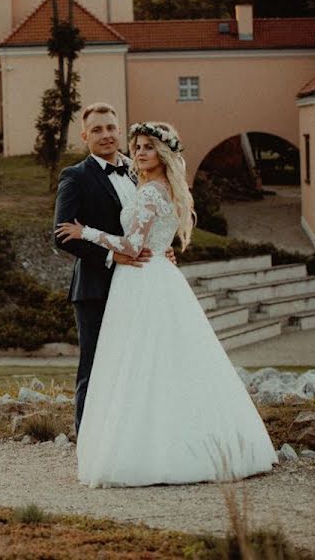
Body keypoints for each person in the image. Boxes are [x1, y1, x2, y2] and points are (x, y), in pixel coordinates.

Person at [55, 122, 277, 488]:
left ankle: (147, 451)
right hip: (159, 276)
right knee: (168, 364)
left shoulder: (148, 192)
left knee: (141, 364)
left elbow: (131, 246)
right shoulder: (165, 189)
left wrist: (86, 232)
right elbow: (153, 240)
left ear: (164, 154)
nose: (139, 153)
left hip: (141, 280)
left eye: (148, 148)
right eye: (137, 146)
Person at [53, 103, 174, 436]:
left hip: (139, 284)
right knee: (94, 366)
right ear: (84, 136)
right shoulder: (75, 177)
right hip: (95, 287)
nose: (105, 135)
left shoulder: (140, 172)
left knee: (136, 363)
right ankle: (88, 440)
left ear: (119, 130)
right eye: (97, 130)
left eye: (110, 128)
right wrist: (110, 258)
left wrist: (164, 250)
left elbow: (149, 223)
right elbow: (62, 235)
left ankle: (128, 437)